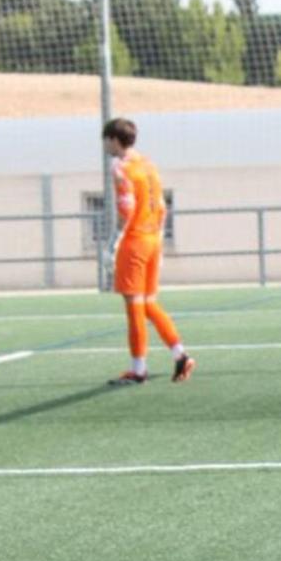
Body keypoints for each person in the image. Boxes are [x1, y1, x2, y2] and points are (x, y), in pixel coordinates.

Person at [102, 118, 196, 385]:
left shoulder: (120, 167)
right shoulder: (147, 163)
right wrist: (160, 240)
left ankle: (138, 369)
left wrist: (113, 243)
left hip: (134, 242)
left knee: (133, 307)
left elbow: (126, 208)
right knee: (149, 303)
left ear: (114, 139)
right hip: (153, 239)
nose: (105, 145)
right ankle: (181, 355)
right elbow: (162, 205)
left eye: (106, 139)